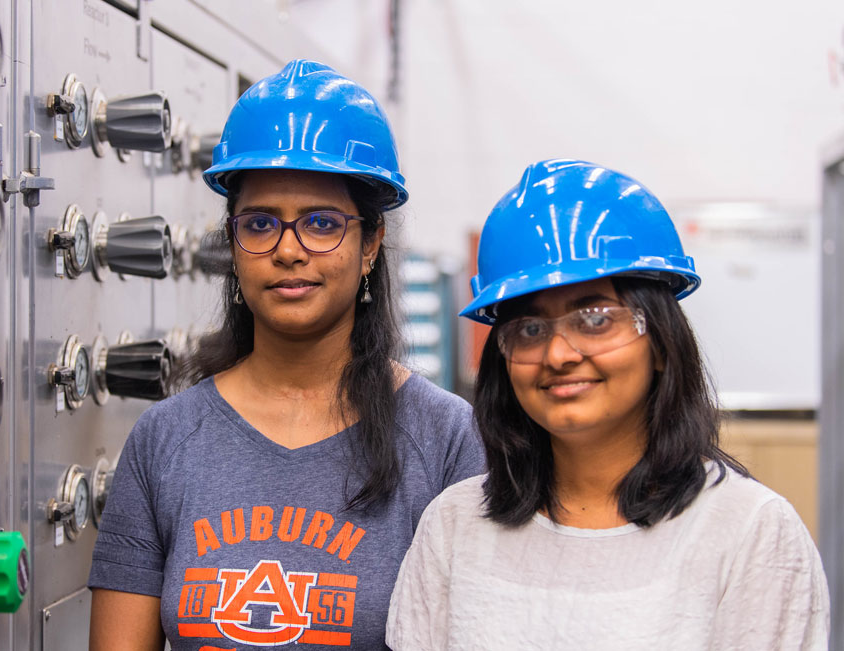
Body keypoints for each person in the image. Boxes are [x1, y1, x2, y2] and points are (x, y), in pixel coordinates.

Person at [87, 59, 483, 651]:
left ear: (371, 244)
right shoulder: (164, 440)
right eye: (260, 224)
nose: (288, 250)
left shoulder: (445, 437)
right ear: (233, 242)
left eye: (321, 224)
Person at [386, 159, 829, 649]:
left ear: (660, 342)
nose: (559, 355)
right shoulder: (454, 525)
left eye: (595, 319)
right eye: (529, 329)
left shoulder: (751, 534)